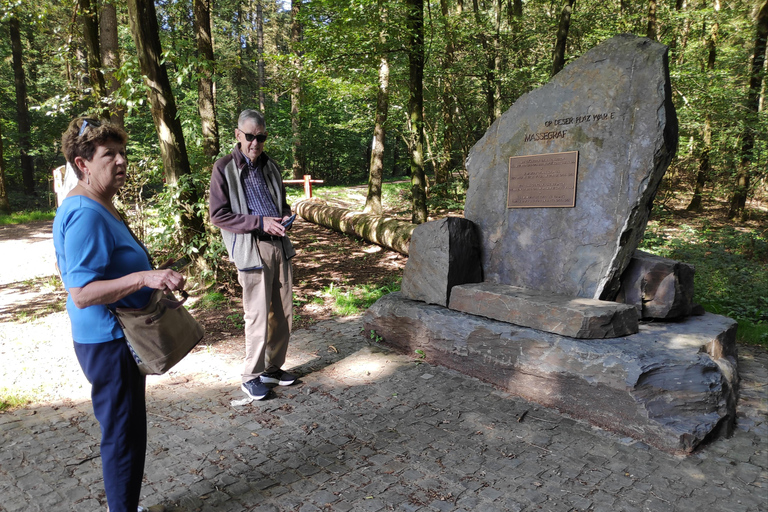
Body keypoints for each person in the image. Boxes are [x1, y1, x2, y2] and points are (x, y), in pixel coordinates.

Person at [53, 117, 186, 512]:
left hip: (114, 338)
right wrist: (145, 275)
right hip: (108, 342)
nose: (121, 160)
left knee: (127, 430)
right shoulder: (86, 213)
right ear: (83, 164)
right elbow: (81, 292)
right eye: (109, 154)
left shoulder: (96, 203)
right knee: (123, 435)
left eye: (121, 152)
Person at [209, 109, 297, 401]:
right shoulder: (223, 168)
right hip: (251, 248)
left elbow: (281, 203)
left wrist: (285, 217)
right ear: (238, 135)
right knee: (257, 314)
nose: (255, 143)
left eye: (261, 137)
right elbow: (218, 215)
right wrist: (259, 222)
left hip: (279, 246)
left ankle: (273, 368)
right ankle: (251, 376)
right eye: (250, 137)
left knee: (282, 313)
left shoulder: (271, 166)